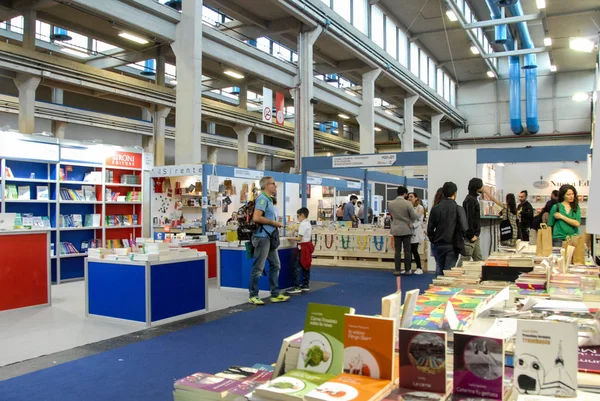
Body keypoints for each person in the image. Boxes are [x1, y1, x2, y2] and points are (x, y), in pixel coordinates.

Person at [248, 176, 290, 305]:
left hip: (269, 237)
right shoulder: (262, 199)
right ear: (267, 185)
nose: (275, 186)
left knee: (275, 265)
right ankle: (253, 295)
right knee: (258, 267)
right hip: (262, 237)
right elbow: (256, 217)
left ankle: (275, 293)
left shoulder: (269, 200)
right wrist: (273, 223)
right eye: (273, 184)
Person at [427, 182, 468, 277]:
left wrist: (433, 240)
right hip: (452, 245)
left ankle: (436, 289)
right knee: (449, 271)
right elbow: (465, 228)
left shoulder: (435, 208)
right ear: (455, 194)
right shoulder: (458, 209)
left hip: (438, 244)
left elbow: (430, 229)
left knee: (439, 269)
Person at [388, 186, 418, 276]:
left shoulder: (390, 203)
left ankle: (397, 270)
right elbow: (414, 217)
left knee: (397, 251)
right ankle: (407, 270)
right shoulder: (408, 204)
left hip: (396, 229)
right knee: (407, 250)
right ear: (404, 194)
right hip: (406, 229)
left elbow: (392, 216)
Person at [287, 207, 313, 294]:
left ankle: (297, 286)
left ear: (302, 215)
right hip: (307, 246)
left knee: (297, 266)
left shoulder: (302, 224)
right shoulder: (308, 223)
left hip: (302, 247)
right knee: (306, 265)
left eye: (298, 216)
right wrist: (296, 229)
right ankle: (306, 284)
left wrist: (291, 238)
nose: (298, 218)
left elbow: (299, 238)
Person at [462, 178, 484, 263]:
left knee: (478, 259)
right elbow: (469, 218)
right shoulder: (471, 200)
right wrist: (471, 235)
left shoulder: (472, 199)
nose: (483, 187)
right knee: (464, 260)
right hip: (471, 236)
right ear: (477, 187)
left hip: (475, 235)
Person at [407, 192, 425, 275]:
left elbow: (420, 221)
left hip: (415, 231)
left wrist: (413, 225)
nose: (409, 198)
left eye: (411, 196)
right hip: (407, 231)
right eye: (408, 197)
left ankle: (419, 268)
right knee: (408, 251)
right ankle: (408, 268)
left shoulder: (420, 208)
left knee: (414, 250)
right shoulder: (408, 207)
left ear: (416, 198)